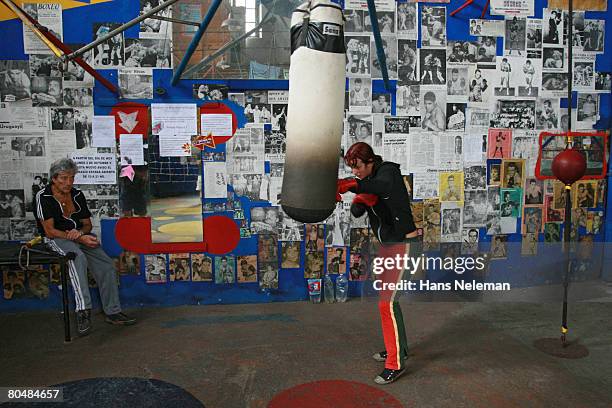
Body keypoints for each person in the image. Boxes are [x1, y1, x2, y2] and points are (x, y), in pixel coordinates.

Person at [337, 142, 419, 385]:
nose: (355, 172)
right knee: (388, 303)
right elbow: (357, 213)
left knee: (387, 304)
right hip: (389, 248)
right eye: (352, 169)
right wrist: (361, 198)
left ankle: (394, 363)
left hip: (405, 246)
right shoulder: (370, 180)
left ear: (370, 161)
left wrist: (356, 186)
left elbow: (383, 186)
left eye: (358, 167)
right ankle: (398, 349)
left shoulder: (388, 172)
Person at [34, 158, 135, 336]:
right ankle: (83, 311)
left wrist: (80, 235)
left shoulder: (77, 195)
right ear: (54, 179)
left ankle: (112, 311)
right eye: (64, 178)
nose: (68, 182)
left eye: (71, 178)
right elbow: (50, 231)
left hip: (78, 235)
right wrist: (78, 237)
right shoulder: (43, 197)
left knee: (106, 264)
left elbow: (87, 225)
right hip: (56, 239)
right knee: (76, 258)